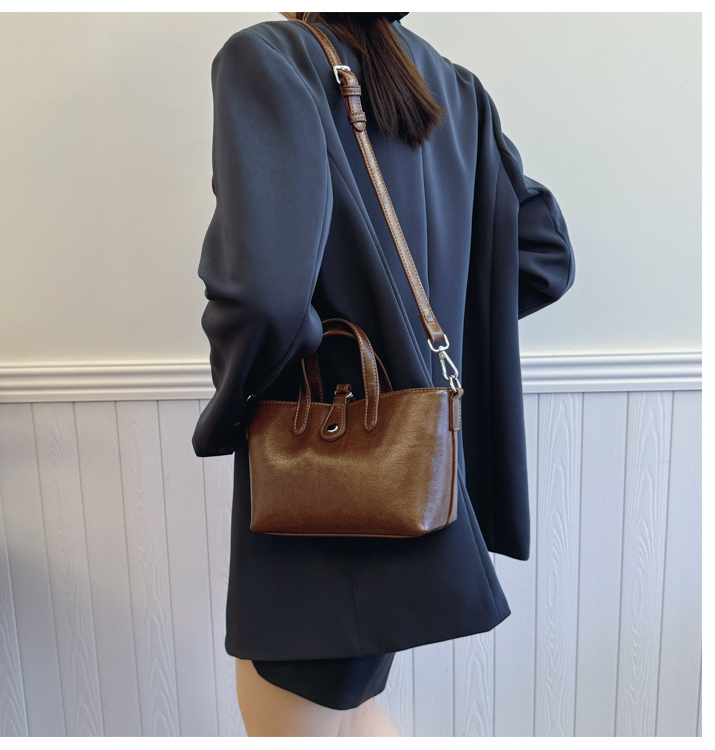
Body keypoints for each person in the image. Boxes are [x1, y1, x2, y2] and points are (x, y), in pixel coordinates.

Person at [192, 11, 575, 736]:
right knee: (355, 711)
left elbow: (265, 296)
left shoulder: (270, 57)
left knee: (306, 711)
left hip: (322, 468)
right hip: (412, 473)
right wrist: (427, 346)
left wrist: (227, 413)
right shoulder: (451, 85)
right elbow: (542, 256)